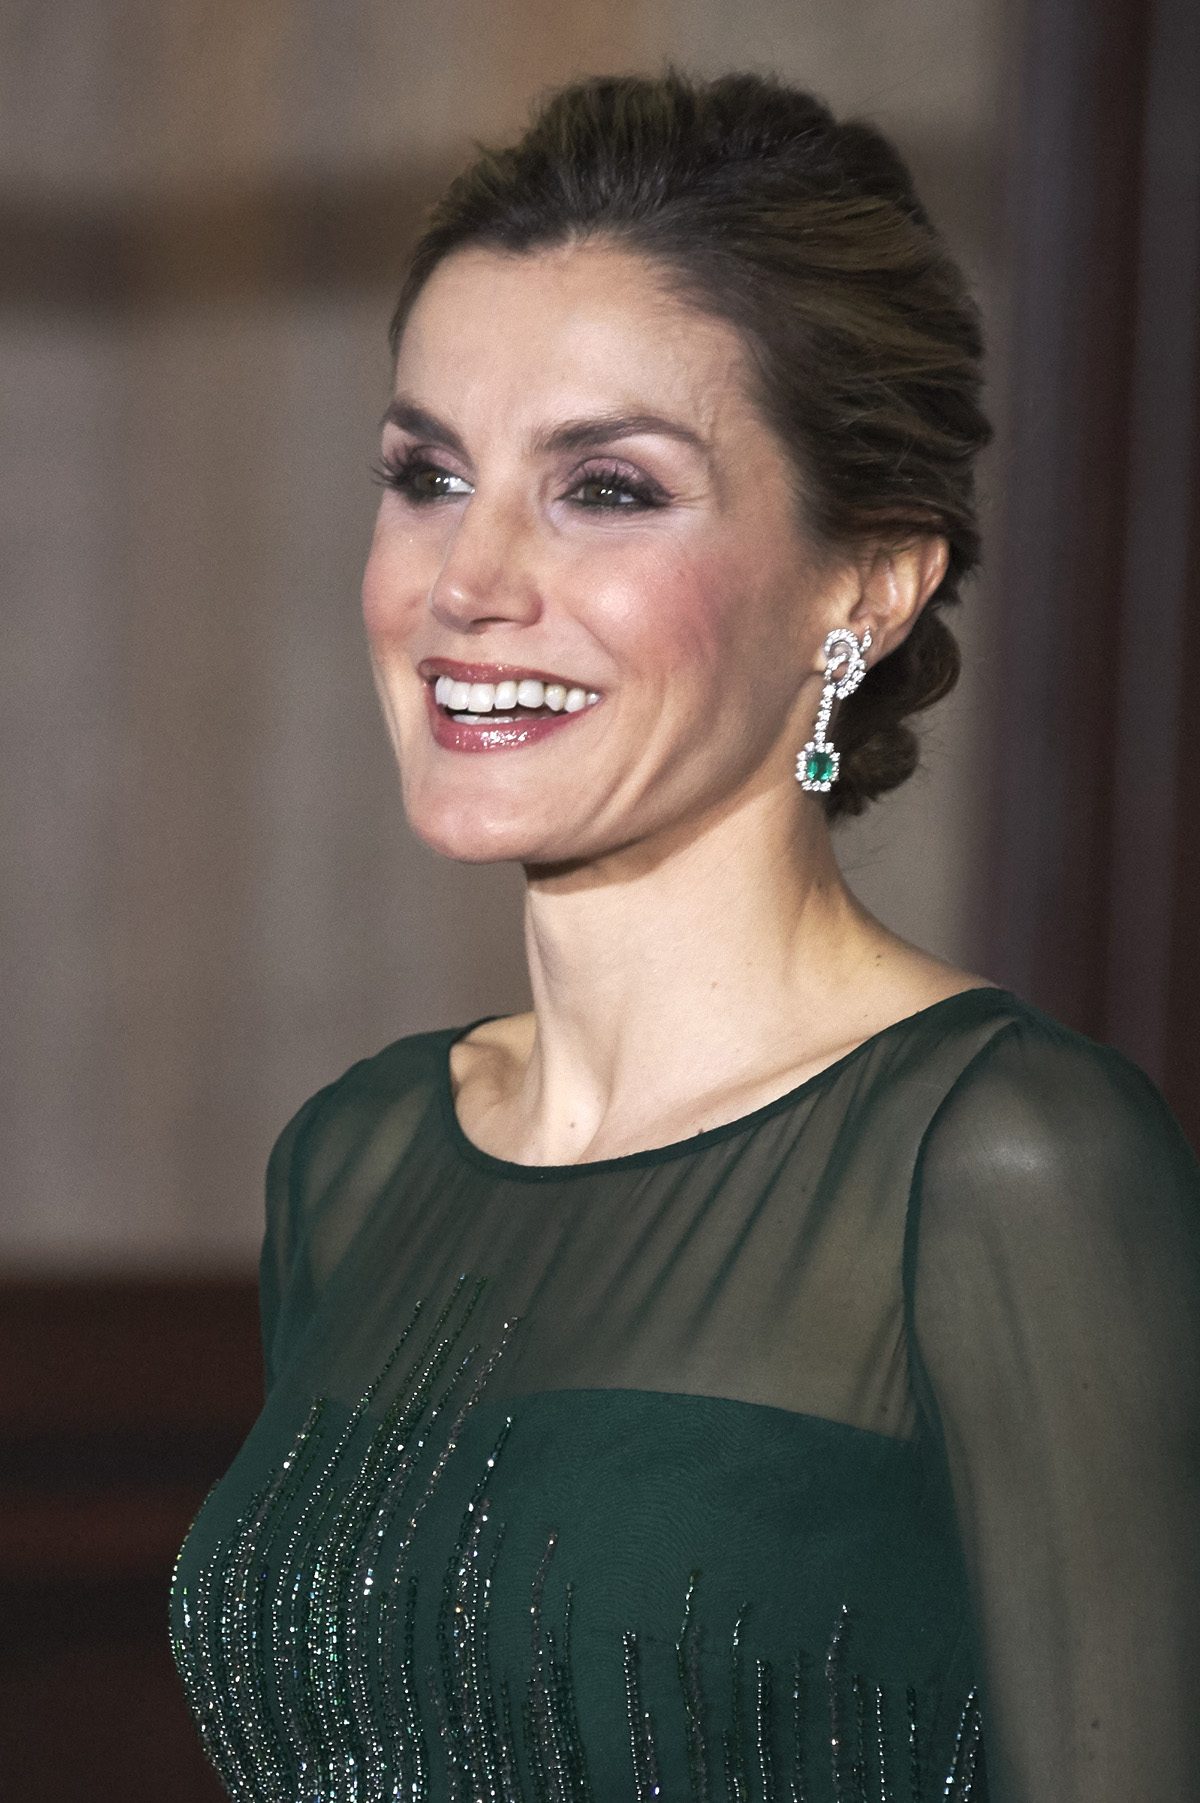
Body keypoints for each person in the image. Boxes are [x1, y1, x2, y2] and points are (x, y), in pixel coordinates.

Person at [170, 73, 1200, 1803]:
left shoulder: (1008, 1160)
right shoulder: (355, 1162)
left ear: (864, 587)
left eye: (607, 488)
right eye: (428, 474)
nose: (466, 580)